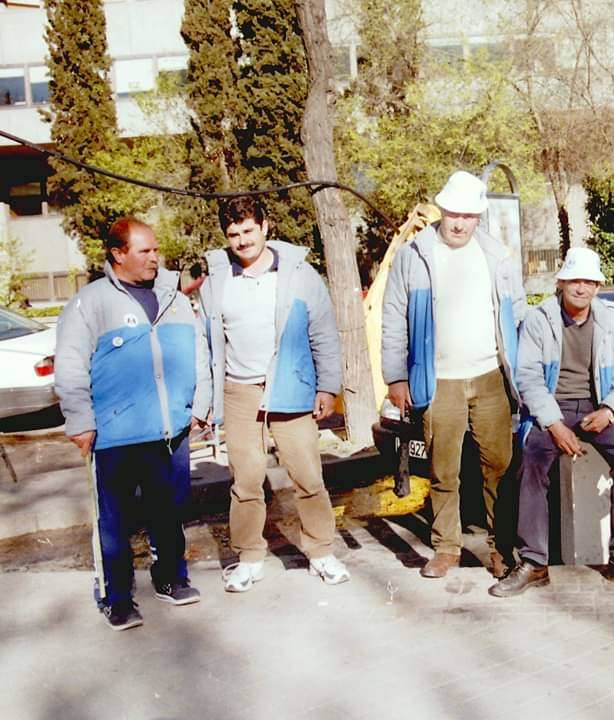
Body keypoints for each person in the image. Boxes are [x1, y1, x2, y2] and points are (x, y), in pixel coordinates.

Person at [54, 218, 211, 630]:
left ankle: (171, 579)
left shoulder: (175, 299)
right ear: (118, 254)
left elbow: (199, 353)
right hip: (114, 435)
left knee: (169, 510)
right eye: (145, 251)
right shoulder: (90, 303)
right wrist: (80, 420)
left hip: (168, 431)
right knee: (114, 522)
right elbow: (69, 367)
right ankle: (117, 597)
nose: (154, 258)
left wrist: (200, 406)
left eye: (156, 250)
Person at [382, 170, 525, 579]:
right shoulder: (415, 255)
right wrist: (396, 377)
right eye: (453, 213)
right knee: (444, 469)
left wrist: (523, 372)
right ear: (441, 210)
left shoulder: (496, 256)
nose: (460, 223)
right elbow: (393, 318)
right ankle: (446, 547)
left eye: (469, 215)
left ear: (479, 216)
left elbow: (518, 316)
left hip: (489, 376)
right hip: (438, 379)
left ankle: (501, 548)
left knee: (499, 465)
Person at [202, 195, 349, 592]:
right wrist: (206, 402)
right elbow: (208, 345)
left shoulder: (300, 275)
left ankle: (321, 552)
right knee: (246, 480)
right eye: (233, 234)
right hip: (239, 391)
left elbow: (323, 334)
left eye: (249, 230)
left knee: (307, 475)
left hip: (290, 386)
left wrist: (327, 387)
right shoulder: (217, 282)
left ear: (265, 227)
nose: (242, 240)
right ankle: (249, 557)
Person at [490, 247, 614, 598]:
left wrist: (610, 410)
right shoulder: (540, 319)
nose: (581, 288)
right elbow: (530, 378)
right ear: (561, 282)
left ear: (597, 286)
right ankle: (534, 562)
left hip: (599, 406)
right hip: (555, 406)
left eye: (589, 281)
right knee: (533, 460)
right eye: (574, 280)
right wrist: (553, 424)